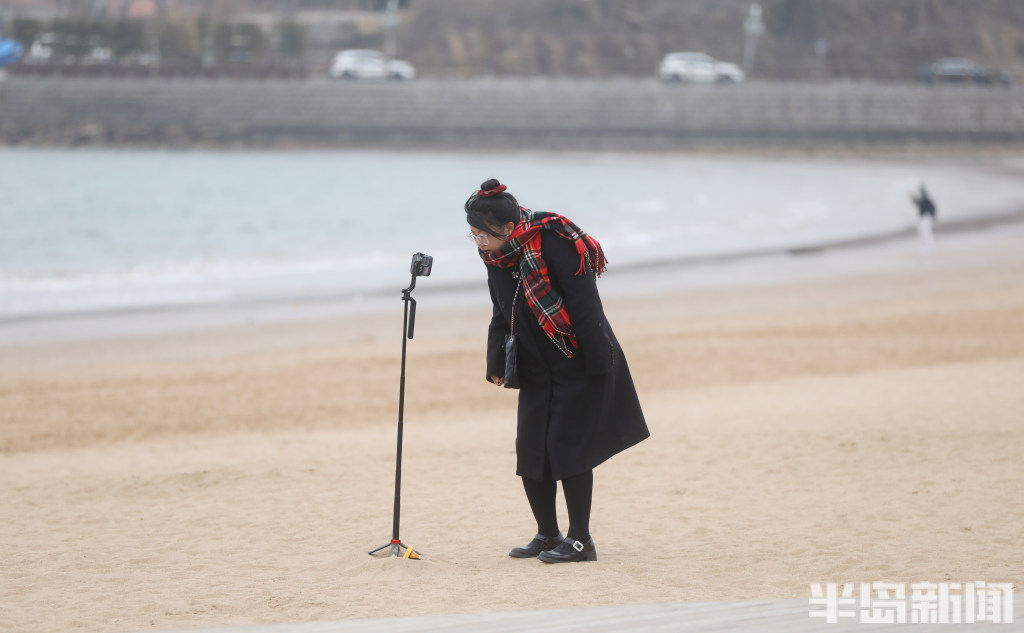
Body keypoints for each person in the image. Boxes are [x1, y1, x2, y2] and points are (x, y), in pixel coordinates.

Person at [466, 178, 649, 564]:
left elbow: (586, 305)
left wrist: (598, 366)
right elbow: (501, 310)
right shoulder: (496, 257)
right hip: (534, 366)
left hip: (575, 358)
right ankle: (548, 534)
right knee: (531, 451)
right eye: (473, 235)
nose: (479, 243)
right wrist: (495, 362)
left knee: (569, 450)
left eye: (483, 235)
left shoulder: (555, 243)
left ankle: (580, 540)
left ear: (509, 228)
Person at [911, 184, 937, 249]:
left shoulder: (925, 199)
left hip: (927, 217)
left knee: (925, 230)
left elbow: (920, 204)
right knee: (925, 230)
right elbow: (919, 204)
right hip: (927, 217)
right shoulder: (926, 199)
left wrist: (913, 199)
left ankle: (929, 244)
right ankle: (927, 243)